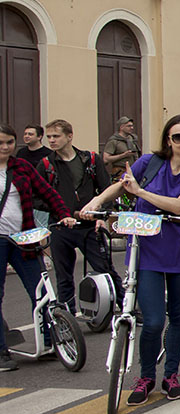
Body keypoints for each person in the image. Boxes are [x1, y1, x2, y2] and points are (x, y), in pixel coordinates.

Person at [82, 115, 180, 403]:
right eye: (178, 137)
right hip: (145, 251)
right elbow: (122, 184)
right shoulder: (150, 163)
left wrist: (140, 192)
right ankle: (146, 377)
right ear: (169, 140)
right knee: (153, 320)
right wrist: (96, 202)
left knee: (178, 317)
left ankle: (171, 376)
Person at [0, 124, 76, 372]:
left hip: (24, 238)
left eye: (10, 142)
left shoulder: (21, 167)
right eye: (1, 143)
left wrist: (64, 214)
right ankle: (2, 353)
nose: (5, 147)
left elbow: (48, 193)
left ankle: (49, 343)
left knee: (40, 292)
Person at [38, 119, 114, 313]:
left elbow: (107, 191)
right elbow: (35, 198)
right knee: (63, 277)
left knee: (105, 270)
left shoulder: (90, 159)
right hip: (61, 227)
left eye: (56, 136)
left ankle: (124, 308)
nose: (52, 141)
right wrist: (63, 213)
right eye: (49, 137)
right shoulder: (46, 164)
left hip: (89, 227)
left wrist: (100, 216)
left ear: (69, 136)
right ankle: (67, 318)